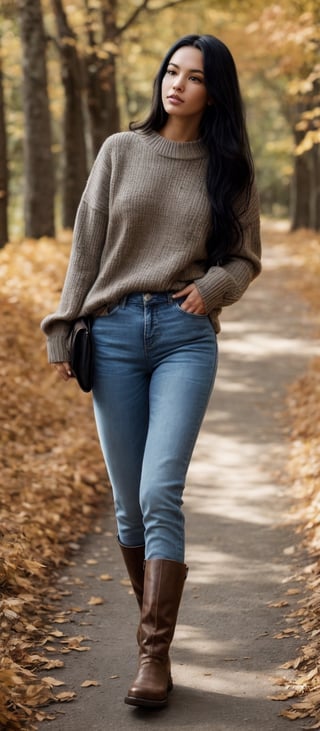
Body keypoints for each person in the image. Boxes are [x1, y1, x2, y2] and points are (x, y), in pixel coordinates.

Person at [41, 33, 261, 709]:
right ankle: (154, 633)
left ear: (213, 91)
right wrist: (64, 325)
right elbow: (87, 243)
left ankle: (152, 655)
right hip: (109, 337)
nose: (177, 84)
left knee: (161, 489)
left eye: (194, 77)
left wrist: (214, 286)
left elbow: (246, 258)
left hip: (182, 338)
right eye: (172, 71)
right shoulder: (120, 150)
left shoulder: (228, 168)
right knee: (129, 505)